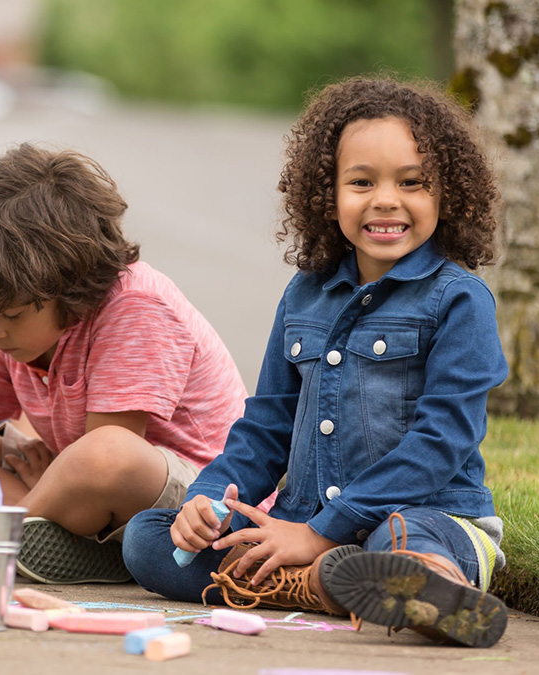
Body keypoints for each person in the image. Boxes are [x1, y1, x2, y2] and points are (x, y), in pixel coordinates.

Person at [121, 76, 510, 648]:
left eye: (412, 183)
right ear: (326, 194)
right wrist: (208, 501)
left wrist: (325, 530)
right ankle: (332, 585)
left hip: (427, 515)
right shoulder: (305, 295)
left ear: (447, 194)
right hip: (301, 522)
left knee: (401, 540)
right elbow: (266, 427)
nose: (385, 199)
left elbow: (441, 443)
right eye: (361, 182)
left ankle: (432, 588)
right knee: (151, 539)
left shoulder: (459, 300)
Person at [0, 143, 248, 585]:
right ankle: (20, 542)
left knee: (102, 455)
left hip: (198, 504)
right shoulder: (1, 323)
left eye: (13, 315)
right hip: (78, 486)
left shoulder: (135, 305)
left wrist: (48, 485)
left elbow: (105, 454)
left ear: (69, 283)